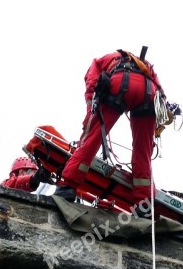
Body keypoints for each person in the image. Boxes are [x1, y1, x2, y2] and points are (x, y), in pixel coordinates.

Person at [54, 48, 166, 216]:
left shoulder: (107, 59)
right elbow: (161, 93)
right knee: (143, 152)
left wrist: (91, 100)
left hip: (119, 83)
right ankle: (144, 205)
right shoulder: (146, 65)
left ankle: (67, 187)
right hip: (149, 93)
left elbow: (92, 77)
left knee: (91, 139)